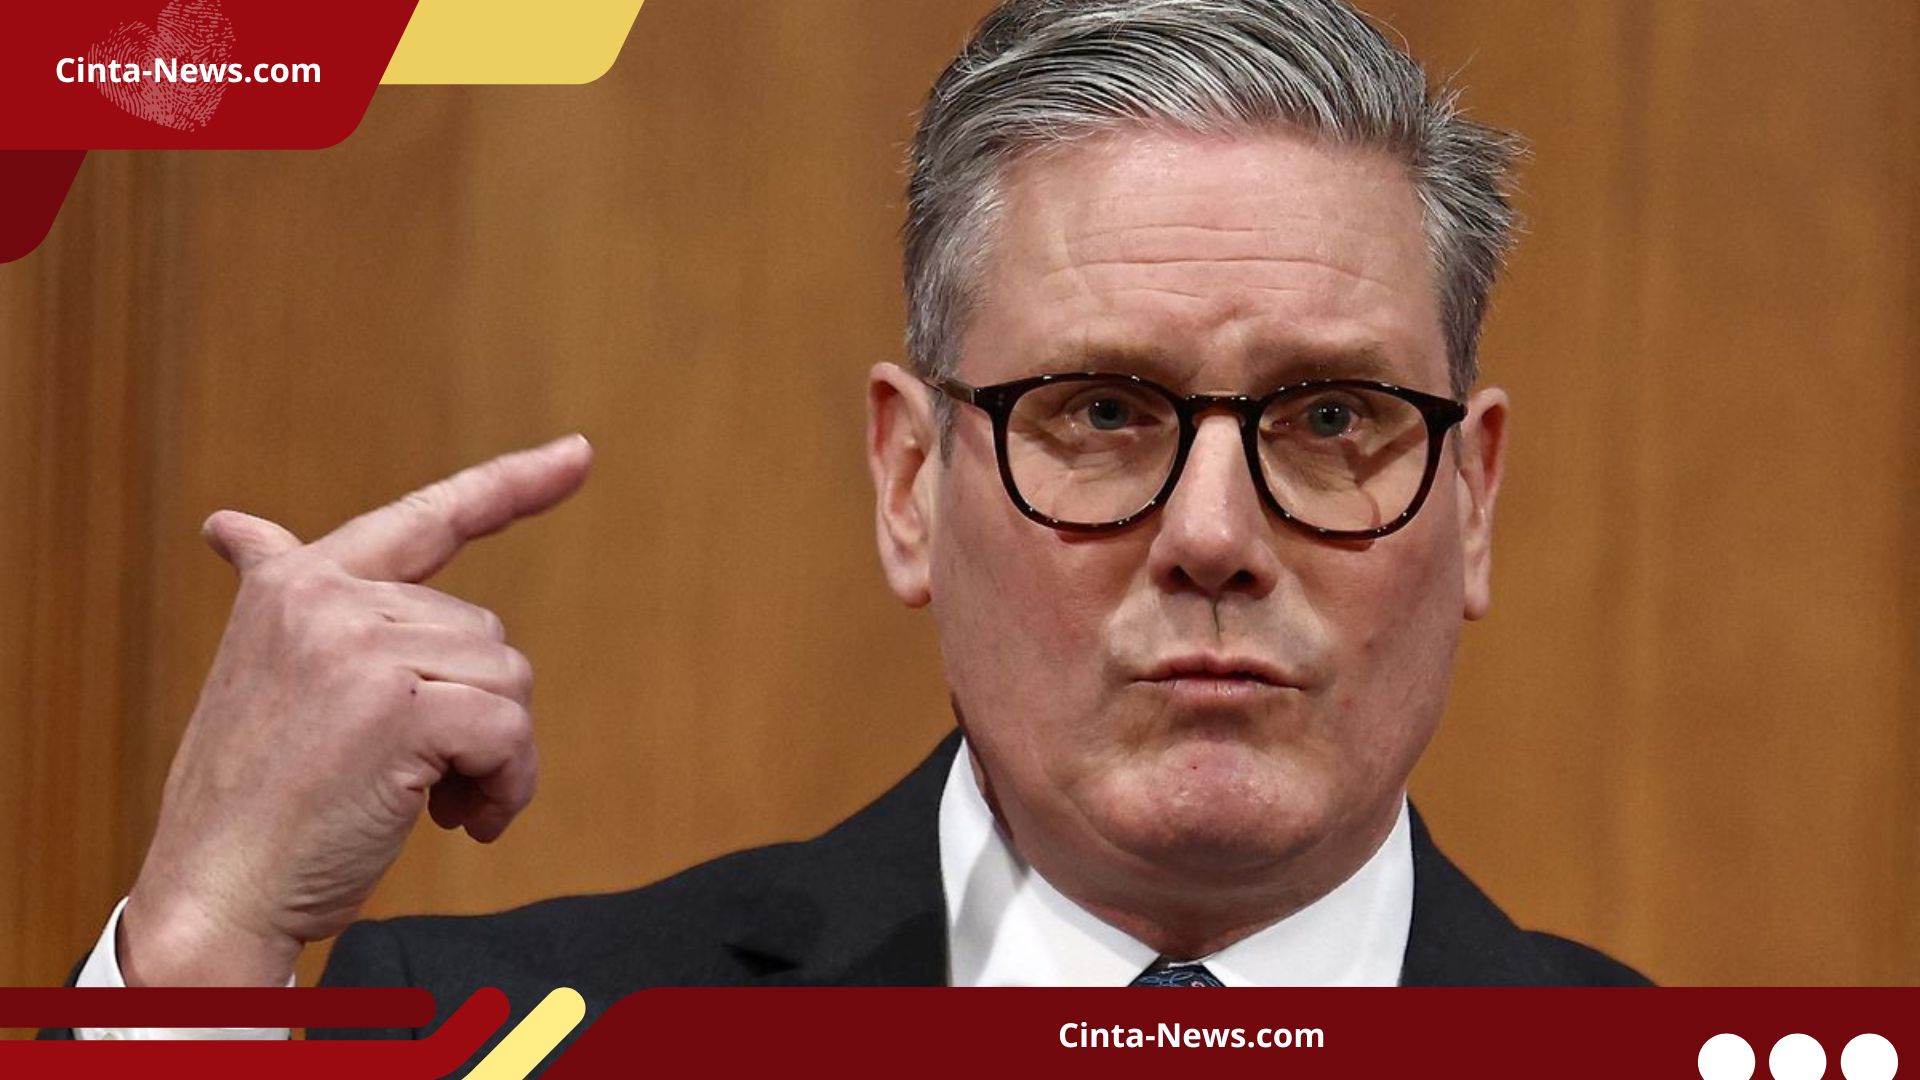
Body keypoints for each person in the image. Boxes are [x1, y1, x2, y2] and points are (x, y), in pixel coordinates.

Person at [53, 0, 1650, 1047]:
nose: (1214, 534)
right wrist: (199, 954)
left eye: (1331, 420)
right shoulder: (501, 1034)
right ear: (910, 480)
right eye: (1103, 414)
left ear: (1471, 498)